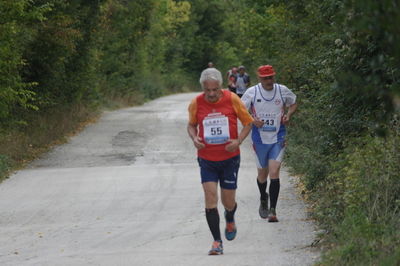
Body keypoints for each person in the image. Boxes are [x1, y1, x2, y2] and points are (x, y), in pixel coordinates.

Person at [187, 68, 253, 255]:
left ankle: (230, 216)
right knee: (210, 198)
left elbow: (248, 123)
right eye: (207, 90)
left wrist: (238, 141)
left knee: (228, 201)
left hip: (229, 159)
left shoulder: (232, 99)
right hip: (207, 159)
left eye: (215, 90)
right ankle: (217, 241)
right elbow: (191, 125)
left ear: (221, 86)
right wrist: (194, 139)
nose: (211, 94)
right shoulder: (196, 103)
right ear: (202, 88)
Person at [241, 65, 297, 222]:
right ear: (259, 78)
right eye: (265, 78)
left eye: (271, 77)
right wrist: (253, 119)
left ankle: (273, 210)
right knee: (262, 174)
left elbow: (293, 103)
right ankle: (263, 198)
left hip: (278, 137)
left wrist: (288, 114)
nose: (268, 81)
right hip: (259, 139)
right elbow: (240, 109)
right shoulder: (252, 92)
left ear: (274, 76)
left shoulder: (282, 90)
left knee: (274, 172)